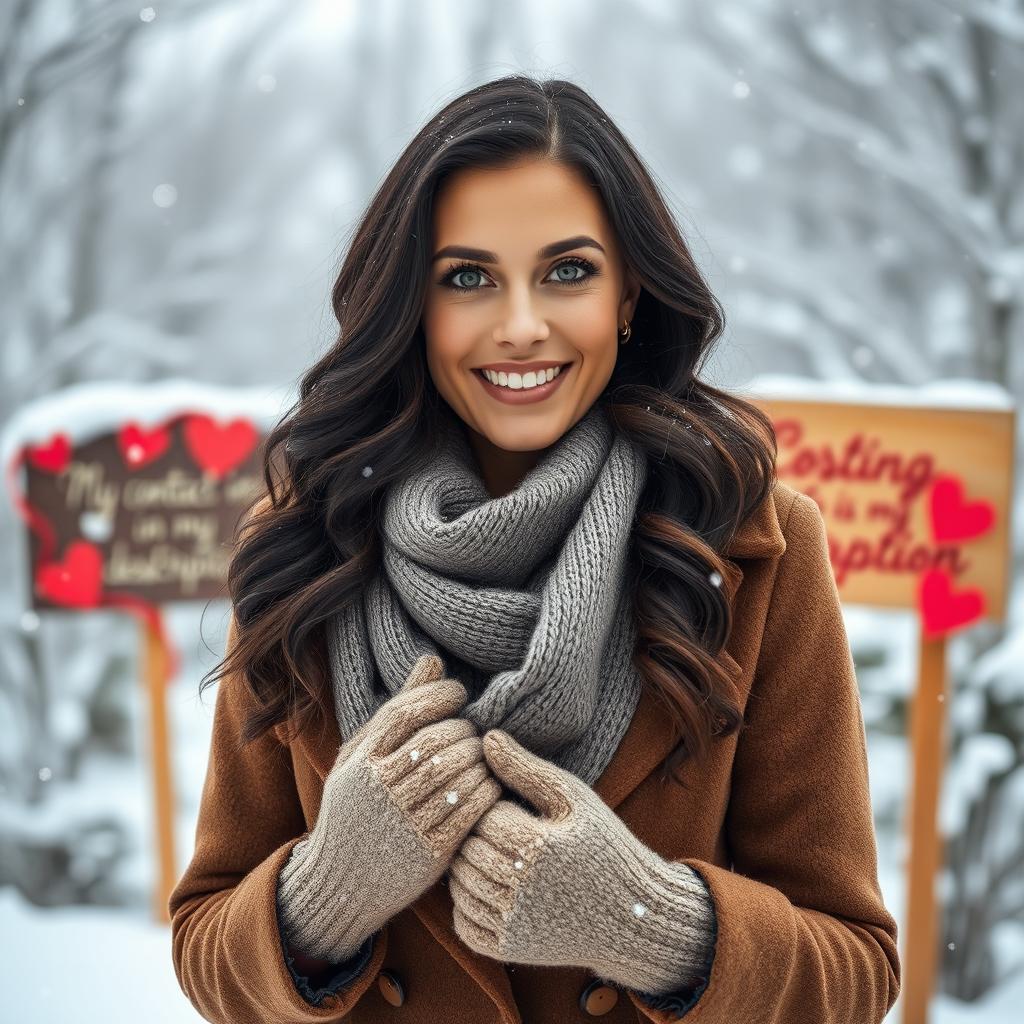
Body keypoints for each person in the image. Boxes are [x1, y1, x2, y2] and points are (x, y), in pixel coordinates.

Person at [169, 74, 901, 1024]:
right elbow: (202, 939)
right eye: (468, 277)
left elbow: (857, 965)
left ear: (629, 290)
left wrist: (653, 927)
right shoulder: (308, 542)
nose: (522, 325)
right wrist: (322, 898)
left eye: (568, 271)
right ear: (414, 305)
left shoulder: (752, 545)